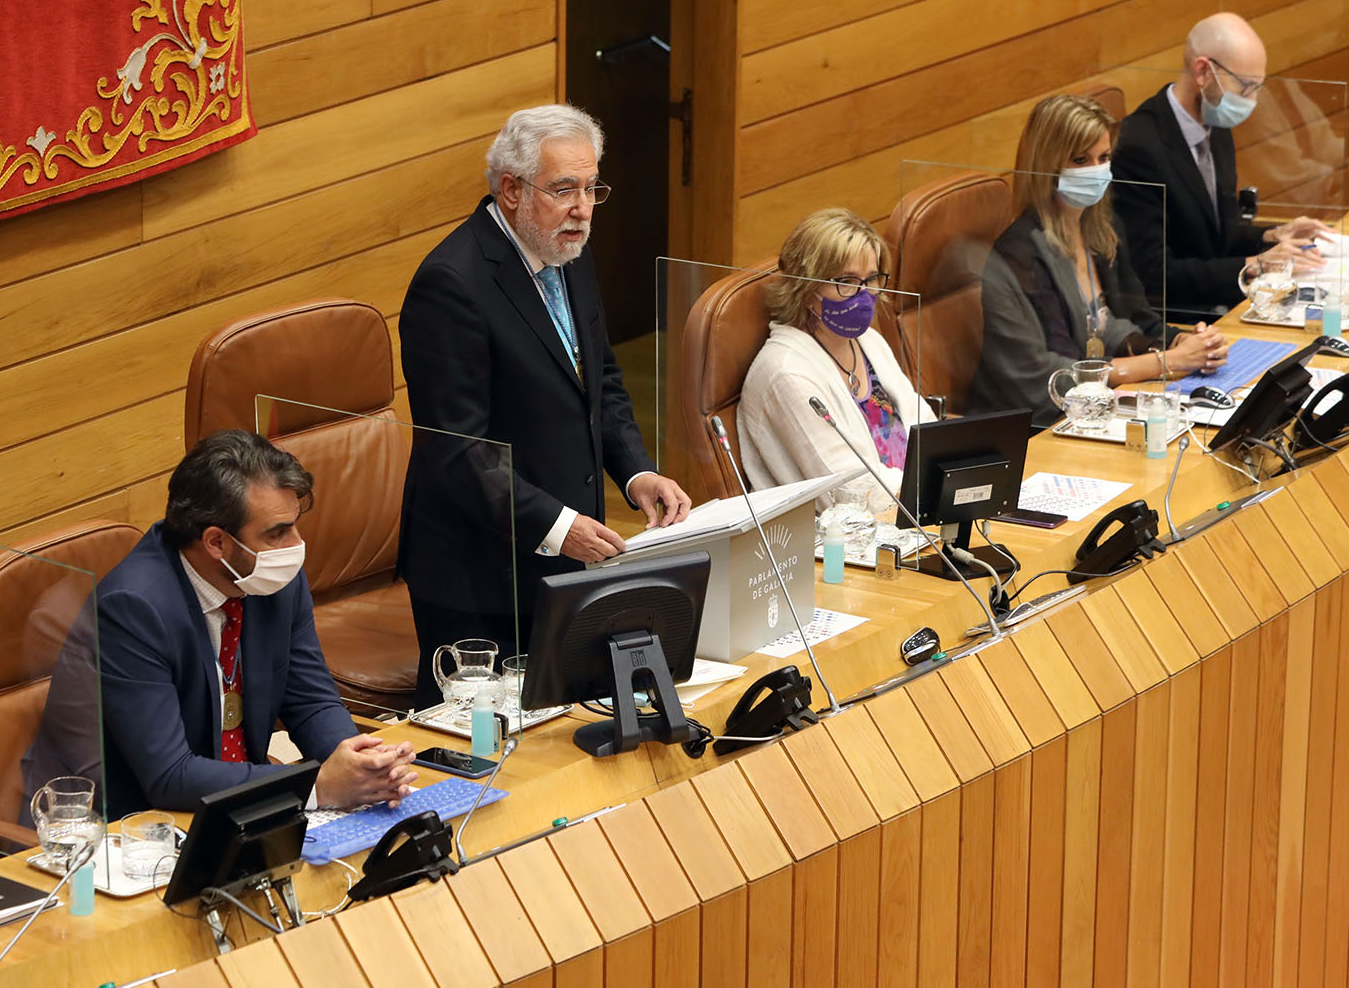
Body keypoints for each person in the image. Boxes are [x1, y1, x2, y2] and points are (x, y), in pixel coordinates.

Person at [398, 104, 691, 704]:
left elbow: (600, 379)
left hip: (558, 556)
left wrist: (634, 472)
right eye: (564, 190)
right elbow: (460, 452)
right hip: (478, 575)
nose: (582, 209)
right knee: (491, 747)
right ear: (511, 190)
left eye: (590, 188)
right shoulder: (451, 285)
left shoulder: (565, 252)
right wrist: (559, 528)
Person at [22, 429, 416, 820]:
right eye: (277, 532)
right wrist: (317, 787)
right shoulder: (134, 609)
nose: (296, 545)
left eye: (294, 524)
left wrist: (360, 762)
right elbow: (169, 776)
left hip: (230, 802)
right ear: (216, 542)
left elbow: (311, 700)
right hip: (126, 828)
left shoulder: (275, 578)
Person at [972, 95, 1228, 425]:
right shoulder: (1020, 255)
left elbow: (1135, 319)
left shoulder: (1100, 230)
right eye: (1080, 160)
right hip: (1037, 424)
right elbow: (1054, 374)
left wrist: (1185, 342)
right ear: (1047, 166)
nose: (1096, 170)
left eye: (1104, 157)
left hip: (1099, 409)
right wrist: (1164, 362)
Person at [1113, 12, 1330, 320]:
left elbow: (1216, 236)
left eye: (1258, 87)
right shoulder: (1139, 147)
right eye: (1246, 87)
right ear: (1203, 71)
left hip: (1220, 300)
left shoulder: (1216, 126)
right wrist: (1255, 266)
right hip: (1179, 317)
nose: (1252, 101)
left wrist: (1271, 236)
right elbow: (1152, 273)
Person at [737, 209, 932, 508]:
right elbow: (849, 490)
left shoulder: (867, 341)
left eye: (872, 279)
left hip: (912, 509)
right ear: (806, 286)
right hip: (841, 540)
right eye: (847, 281)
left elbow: (926, 429)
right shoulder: (785, 371)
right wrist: (930, 487)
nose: (864, 295)